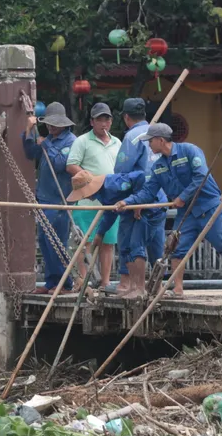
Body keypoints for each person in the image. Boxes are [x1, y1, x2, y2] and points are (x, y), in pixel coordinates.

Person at [115, 122, 222, 299]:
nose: (149, 145)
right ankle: (178, 289)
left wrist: (182, 197)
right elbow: (148, 192)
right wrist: (127, 202)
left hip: (209, 207)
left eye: (150, 141)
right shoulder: (158, 166)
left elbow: (201, 177)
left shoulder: (190, 151)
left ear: (160, 140)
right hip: (186, 213)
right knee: (177, 248)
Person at [66, 169, 164, 298]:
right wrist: (100, 233)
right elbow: (110, 212)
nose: (86, 197)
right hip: (129, 212)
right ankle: (133, 286)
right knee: (125, 246)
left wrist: (136, 202)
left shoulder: (114, 184)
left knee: (136, 244)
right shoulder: (102, 194)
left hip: (150, 206)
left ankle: (140, 288)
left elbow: (140, 177)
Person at [111, 98, 166, 293]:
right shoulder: (158, 134)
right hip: (160, 196)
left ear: (126, 117)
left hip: (138, 198)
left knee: (133, 243)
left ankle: (133, 285)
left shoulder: (132, 137)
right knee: (156, 243)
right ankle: (158, 287)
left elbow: (122, 171)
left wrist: (126, 197)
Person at [23, 102, 77, 295]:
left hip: (60, 200)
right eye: (49, 123)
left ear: (63, 123)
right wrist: (29, 132)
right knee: (45, 241)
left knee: (58, 242)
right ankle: (51, 281)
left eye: (55, 123)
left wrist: (44, 143)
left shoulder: (70, 141)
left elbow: (61, 164)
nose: (51, 126)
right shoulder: (48, 139)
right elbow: (30, 153)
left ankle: (66, 283)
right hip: (44, 199)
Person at [67, 102, 121, 288]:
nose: (103, 123)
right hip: (87, 200)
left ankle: (105, 282)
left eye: (107, 119)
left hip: (111, 201)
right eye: (99, 120)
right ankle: (84, 281)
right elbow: (71, 165)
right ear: (92, 122)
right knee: (85, 242)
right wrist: (90, 180)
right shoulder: (81, 141)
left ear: (111, 122)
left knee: (108, 243)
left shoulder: (117, 143)